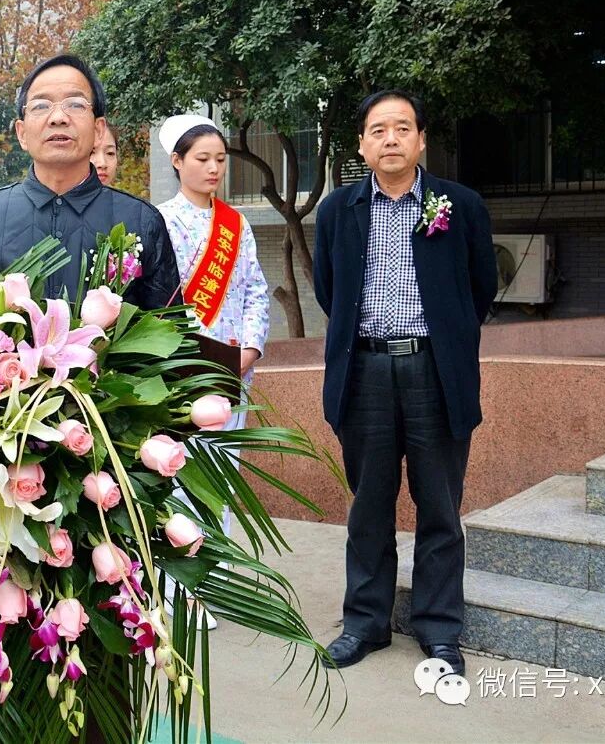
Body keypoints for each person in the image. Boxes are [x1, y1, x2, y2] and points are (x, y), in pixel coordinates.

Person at [312, 90, 497, 677]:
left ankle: (439, 629)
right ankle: (365, 624)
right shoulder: (337, 210)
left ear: (421, 140)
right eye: (378, 130)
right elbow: (328, 290)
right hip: (364, 370)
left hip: (434, 371)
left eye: (401, 128)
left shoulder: (460, 205)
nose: (390, 139)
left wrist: (442, 339)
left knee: (439, 504)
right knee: (368, 504)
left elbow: (481, 288)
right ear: (361, 145)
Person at [0, 54, 179, 309]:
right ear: (21, 133)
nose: (58, 117)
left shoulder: (141, 220)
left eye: (75, 104)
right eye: (41, 106)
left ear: (98, 130)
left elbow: (168, 326)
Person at [156, 115, 269, 384]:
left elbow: (255, 291)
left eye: (220, 159)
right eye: (203, 159)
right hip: (181, 361)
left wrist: (249, 349)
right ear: (177, 161)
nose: (214, 168)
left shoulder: (236, 223)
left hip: (235, 361)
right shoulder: (159, 221)